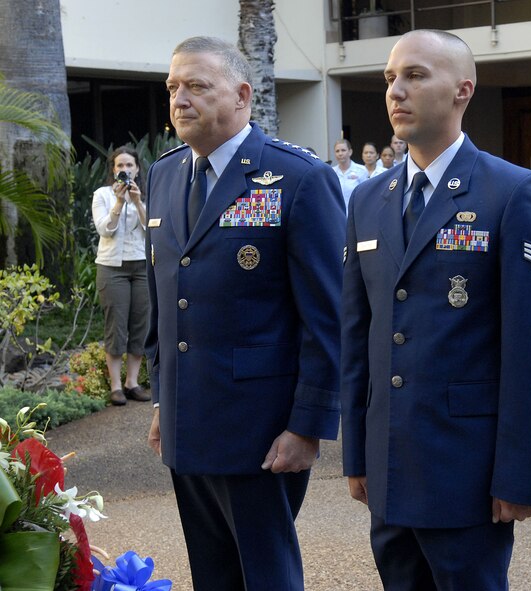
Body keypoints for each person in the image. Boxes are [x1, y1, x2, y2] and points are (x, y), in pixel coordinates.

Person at [341, 29, 531, 590]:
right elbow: (358, 334)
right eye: (390, 78)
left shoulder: (512, 192)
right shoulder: (368, 200)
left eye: (416, 75)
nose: (396, 90)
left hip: (466, 469)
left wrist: (522, 475)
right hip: (390, 465)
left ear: (463, 89)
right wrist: (358, 455)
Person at [144, 36, 344, 591]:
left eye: (197, 86)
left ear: (242, 95)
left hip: (261, 432)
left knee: (267, 576)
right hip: (189, 423)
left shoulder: (298, 180)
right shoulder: (162, 176)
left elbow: (328, 318)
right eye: (173, 88)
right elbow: (165, 301)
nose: (180, 99)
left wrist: (307, 426)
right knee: (213, 575)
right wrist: (163, 398)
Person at [91, 146, 152, 406]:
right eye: (120, 166)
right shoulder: (103, 195)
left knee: (141, 325)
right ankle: (116, 387)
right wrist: (118, 202)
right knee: (115, 326)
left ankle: (132, 383)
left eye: (129, 165)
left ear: (137, 168)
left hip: (141, 266)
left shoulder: (147, 195)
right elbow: (105, 229)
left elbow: (153, 229)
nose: (125, 170)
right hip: (112, 267)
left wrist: (137, 202)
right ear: (113, 170)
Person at [332, 138, 369, 210]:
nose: (340, 153)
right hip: (338, 214)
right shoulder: (332, 172)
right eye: (337, 151)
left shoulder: (361, 170)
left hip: (356, 213)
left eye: (343, 150)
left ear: (350, 152)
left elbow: (365, 195)